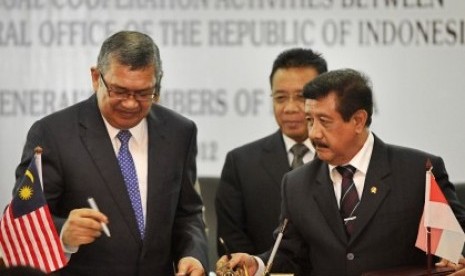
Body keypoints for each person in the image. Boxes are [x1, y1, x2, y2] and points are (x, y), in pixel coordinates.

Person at [216, 68, 465, 276]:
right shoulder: (296, 184)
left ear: (358, 120)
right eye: (310, 120)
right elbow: (290, 253)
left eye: (324, 121)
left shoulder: (418, 171)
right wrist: (257, 264)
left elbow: (459, 239)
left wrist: (461, 257)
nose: (313, 133)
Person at [14, 31, 208, 275]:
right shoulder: (53, 134)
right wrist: (63, 231)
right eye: (119, 90)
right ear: (96, 78)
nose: (130, 103)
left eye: (143, 93)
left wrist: (193, 255)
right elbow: (23, 218)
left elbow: (188, 214)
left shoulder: (180, 132)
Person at [215, 48, 328, 256]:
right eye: (280, 98)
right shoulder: (241, 164)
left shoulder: (340, 159)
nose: (290, 108)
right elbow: (232, 242)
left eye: (301, 97)